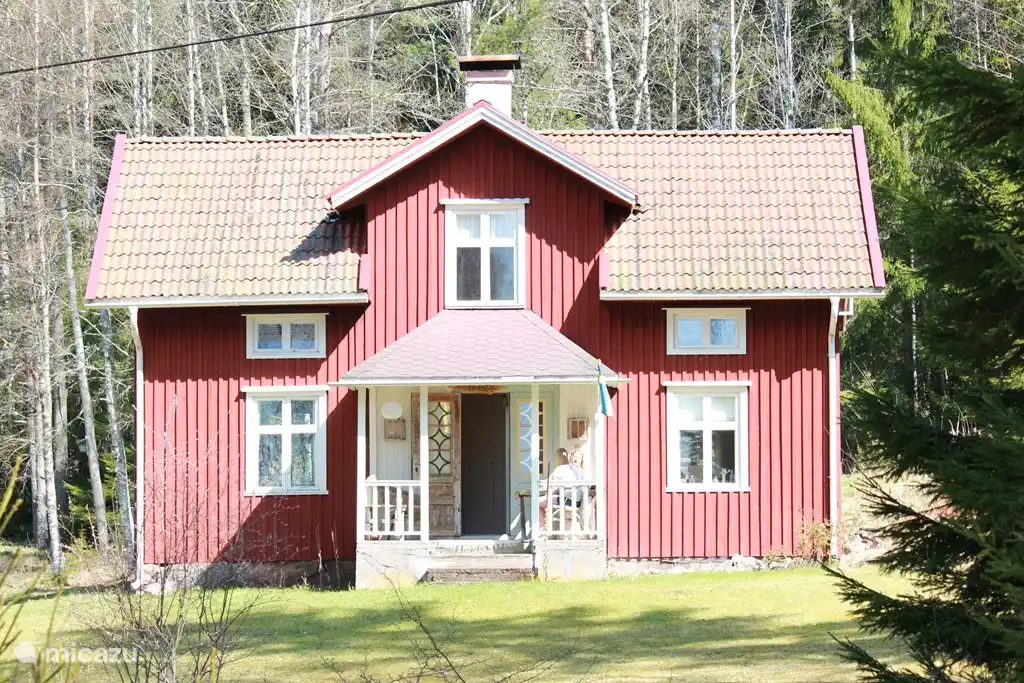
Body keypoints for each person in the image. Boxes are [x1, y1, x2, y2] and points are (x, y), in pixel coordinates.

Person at [538, 448, 585, 529]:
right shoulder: (582, 472)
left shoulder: (565, 469)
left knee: (537, 503)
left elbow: (552, 482)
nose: (576, 458)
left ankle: (543, 530)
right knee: (549, 499)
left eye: (579, 457)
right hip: (577, 503)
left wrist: (550, 491)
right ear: (571, 457)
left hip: (567, 501)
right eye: (575, 456)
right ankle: (546, 528)